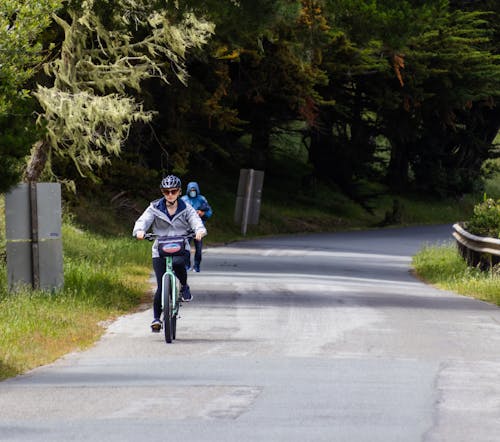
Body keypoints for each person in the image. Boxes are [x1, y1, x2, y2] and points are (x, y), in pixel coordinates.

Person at [133, 175, 207, 332]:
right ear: (162, 192)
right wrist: (140, 231)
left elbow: (196, 222)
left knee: (179, 263)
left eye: (173, 191)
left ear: (179, 192)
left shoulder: (186, 208)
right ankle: (156, 319)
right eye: (166, 192)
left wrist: (199, 231)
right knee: (161, 285)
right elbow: (143, 220)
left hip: (181, 246)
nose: (170, 194)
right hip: (160, 248)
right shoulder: (154, 207)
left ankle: (184, 286)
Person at [181, 181, 212, 272]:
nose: (193, 191)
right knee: (186, 248)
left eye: (194, 190)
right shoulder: (183, 199)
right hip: (186, 228)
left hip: (198, 228)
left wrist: (203, 213)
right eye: (191, 190)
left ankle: (197, 266)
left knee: (198, 249)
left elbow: (209, 211)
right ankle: (187, 265)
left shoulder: (202, 199)